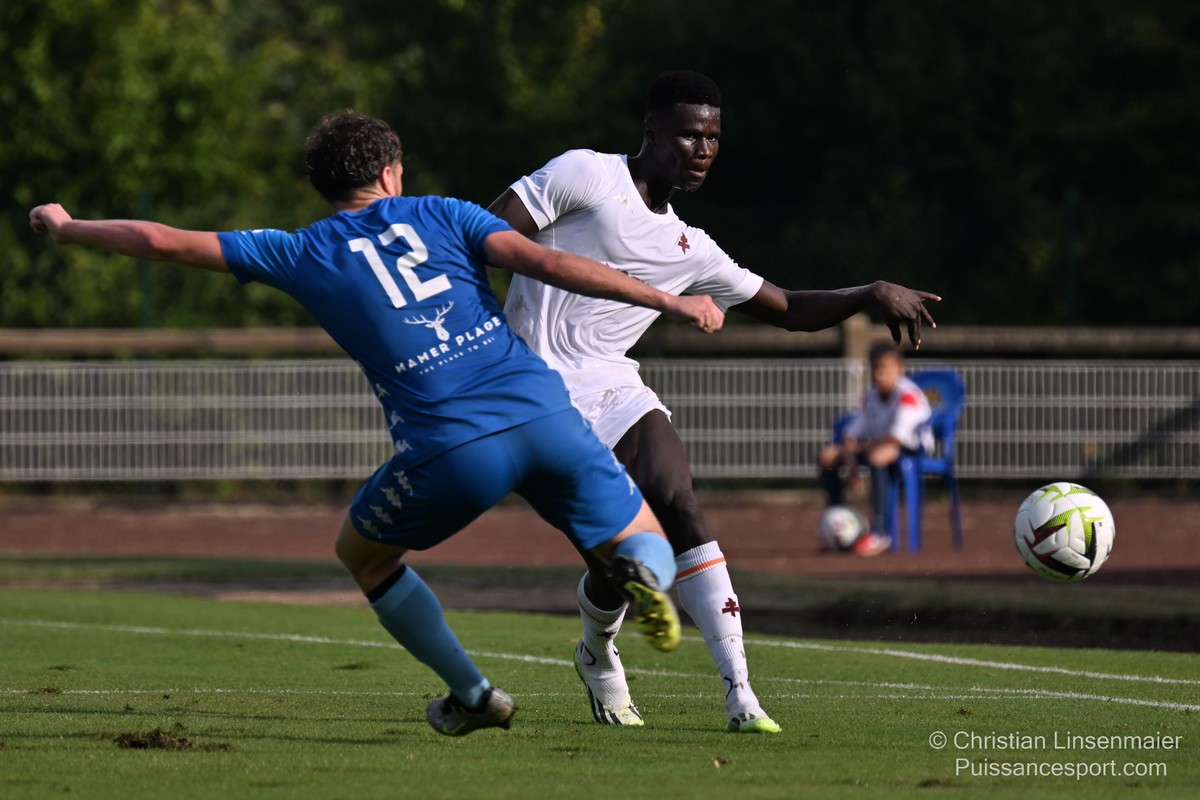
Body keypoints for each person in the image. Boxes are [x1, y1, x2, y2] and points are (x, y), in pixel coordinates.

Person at [28, 110, 729, 737]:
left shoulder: (299, 250)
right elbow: (551, 263)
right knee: (641, 535)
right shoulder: (448, 214)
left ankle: (474, 695)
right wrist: (670, 302)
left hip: (453, 447)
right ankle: (642, 575)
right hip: (545, 414)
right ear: (392, 172)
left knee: (362, 555)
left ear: (323, 187)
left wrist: (67, 227)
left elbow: (161, 240)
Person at [487, 70, 940, 733]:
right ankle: (597, 651)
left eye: (713, 138)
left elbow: (789, 308)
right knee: (625, 558)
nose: (702, 149)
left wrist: (870, 292)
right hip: (527, 393)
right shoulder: (586, 174)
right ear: (651, 133)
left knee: (678, 499)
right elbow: (488, 235)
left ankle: (741, 694)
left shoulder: (693, 249)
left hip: (613, 386)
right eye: (689, 135)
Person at [817, 341, 934, 556]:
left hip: (910, 449)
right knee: (828, 457)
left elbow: (894, 439)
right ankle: (836, 523)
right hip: (874, 447)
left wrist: (857, 450)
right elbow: (852, 433)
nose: (880, 375)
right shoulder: (871, 396)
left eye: (885, 369)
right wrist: (851, 461)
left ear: (899, 369)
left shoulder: (908, 396)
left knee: (878, 456)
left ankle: (880, 531)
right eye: (875, 369)